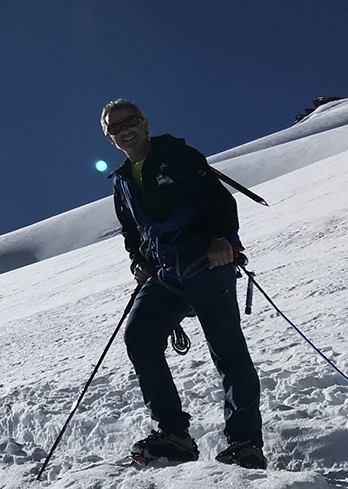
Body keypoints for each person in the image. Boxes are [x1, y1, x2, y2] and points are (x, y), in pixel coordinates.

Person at [101, 99, 267, 469]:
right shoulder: (122, 181)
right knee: (139, 336)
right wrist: (138, 262)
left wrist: (224, 239)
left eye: (130, 121)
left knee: (227, 349)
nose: (124, 129)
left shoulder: (178, 154)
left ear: (145, 123)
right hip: (166, 272)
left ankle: (245, 442)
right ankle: (174, 432)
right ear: (110, 138)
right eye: (115, 127)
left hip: (208, 260)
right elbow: (133, 231)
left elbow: (216, 197)